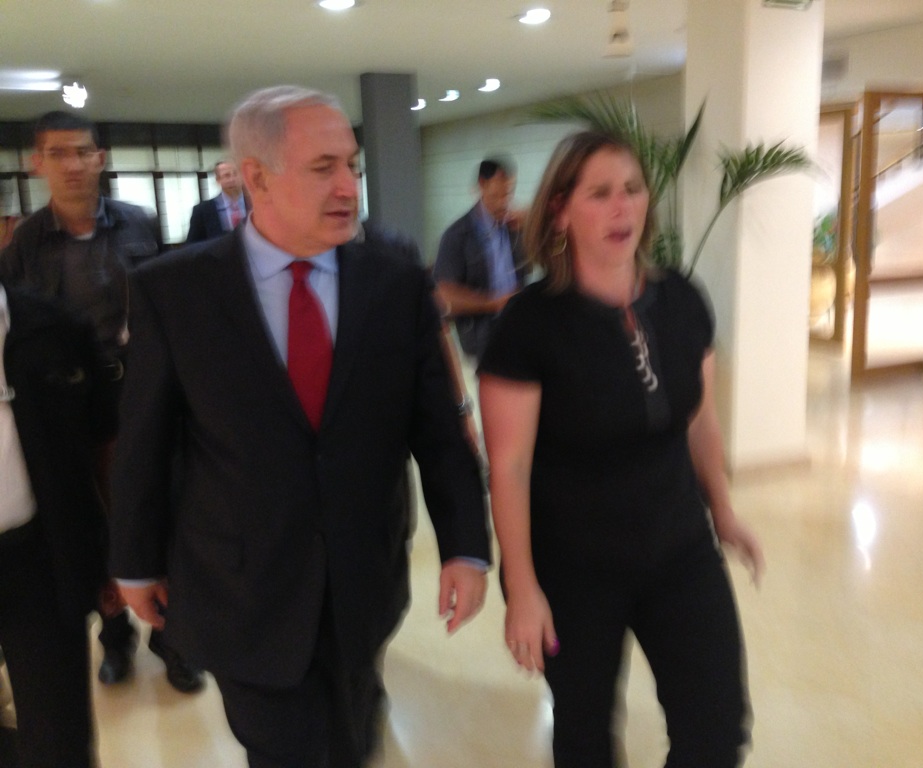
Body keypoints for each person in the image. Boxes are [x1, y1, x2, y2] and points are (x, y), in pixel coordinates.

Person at [109, 85, 491, 767]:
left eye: (352, 165)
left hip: (363, 577)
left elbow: (438, 431)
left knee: (351, 732)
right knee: (285, 749)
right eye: (324, 168)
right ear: (256, 177)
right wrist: (135, 561)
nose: (348, 186)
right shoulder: (175, 290)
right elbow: (146, 439)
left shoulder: (396, 284)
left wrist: (465, 546)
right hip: (240, 586)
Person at [478, 131, 765, 768]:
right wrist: (522, 587)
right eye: (600, 193)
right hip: (574, 567)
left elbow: (699, 421)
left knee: (718, 729)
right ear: (560, 212)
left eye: (632, 189)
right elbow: (510, 467)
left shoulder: (682, 299)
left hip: (679, 548)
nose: (621, 208)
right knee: (584, 739)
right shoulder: (530, 324)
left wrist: (723, 511)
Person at [0, 110, 204, 694]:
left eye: (82, 152)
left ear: (100, 158)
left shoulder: (138, 223)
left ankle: (174, 637)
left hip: (141, 390)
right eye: (57, 153)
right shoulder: (24, 245)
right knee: (93, 517)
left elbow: (166, 305)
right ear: (36, 164)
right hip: (66, 405)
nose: (72, 164)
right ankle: (115, 638)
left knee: (161, 509)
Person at [0, 279, 118, 767]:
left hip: (40, 560)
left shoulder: (55, 329)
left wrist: (122, 554)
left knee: (58, 739)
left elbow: (105, 443)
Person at [433, 157, 529, 359]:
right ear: (482, 185)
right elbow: (445, 295)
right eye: (497, 195)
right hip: (481, 340)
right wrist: (495, 303)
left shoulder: (515, 227)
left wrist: (530, 223)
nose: (504, 202)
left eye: (508, 193)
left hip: (519, 331)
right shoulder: (457, 235)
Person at [185, 159, 248, 243]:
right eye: (227, 175)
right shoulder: (203, 210)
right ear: (218, 180)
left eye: (236, 174)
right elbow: (192, 245)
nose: (232, 179)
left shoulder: (256, 204)